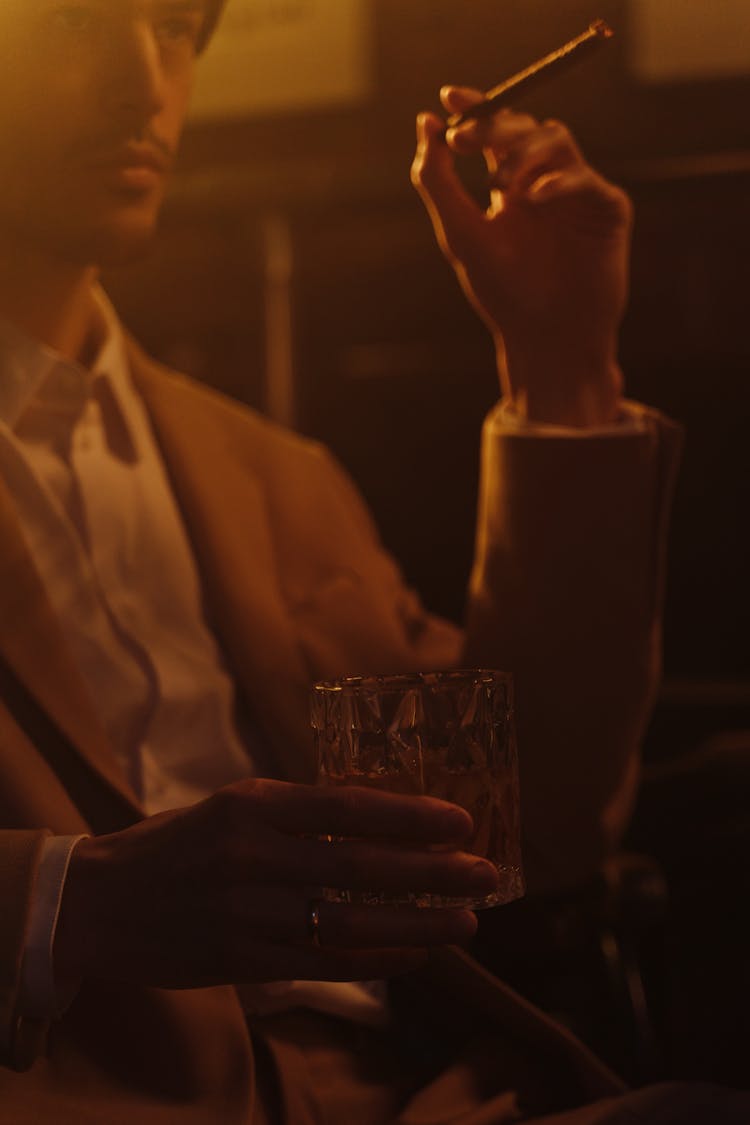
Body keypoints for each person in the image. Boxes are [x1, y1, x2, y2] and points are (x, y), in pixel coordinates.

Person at [1, 1, 744, 1122]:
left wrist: (560, 363)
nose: (142, 84)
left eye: (172, 22)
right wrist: (69, 904)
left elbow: (529, 822)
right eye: (70, 21)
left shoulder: (273, 471)